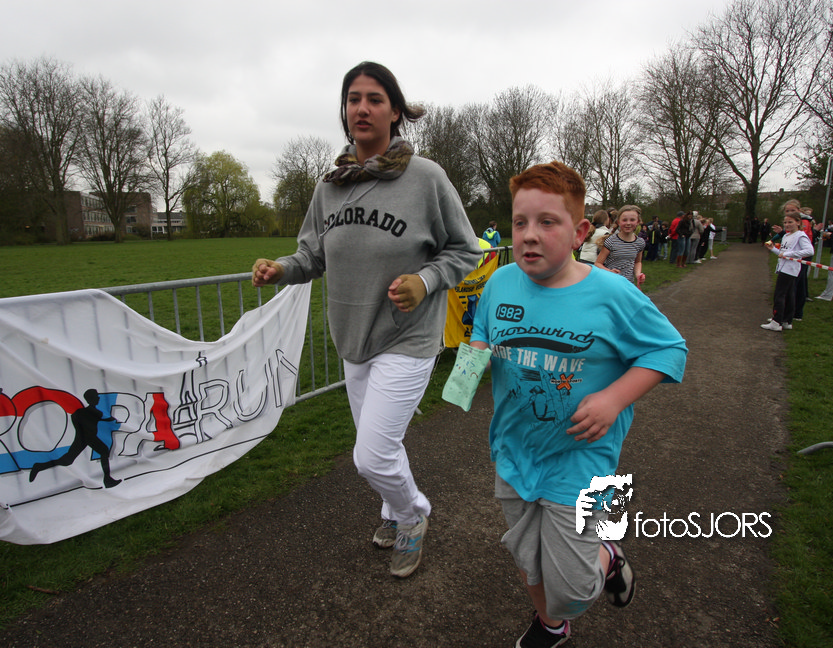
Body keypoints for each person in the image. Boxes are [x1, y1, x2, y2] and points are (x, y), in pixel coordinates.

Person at [251, 61, 481, 578]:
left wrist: (425, 279)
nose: (362, 108)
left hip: (408, 336)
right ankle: (393, 511)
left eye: (374, 99)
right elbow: (311, 256)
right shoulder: (330, 186)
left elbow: (466, 249)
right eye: (353, 98)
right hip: (352, 339)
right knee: (381, 446)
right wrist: (281, 269)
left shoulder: (425, 178)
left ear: (395, 111)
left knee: (371, 456)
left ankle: (412, 515)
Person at [468, 161, 688, 648]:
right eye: (520, 222)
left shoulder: (612, 293)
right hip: (513, 451)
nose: (529, 234)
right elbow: (483, 328)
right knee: (529, 560)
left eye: (547, 222)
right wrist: (474, 359)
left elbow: (670, 350)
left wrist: (613, 398)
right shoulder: (500, 282)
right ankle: (552, 626)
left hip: (584, 460)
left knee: (572, 587)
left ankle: (607, 557)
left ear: (580, 232)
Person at [28, 389, 121, 488]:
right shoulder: (89, 412)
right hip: (87, 437)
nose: (98, 398)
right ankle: (107, 479)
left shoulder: (88, 412)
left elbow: (105, 419)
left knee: (68, 460)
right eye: (96, 396)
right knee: (103, 451)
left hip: (85, 438)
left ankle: (40, 466)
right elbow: (105, 419)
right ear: (91, 399)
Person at [761, 209, 813, 331]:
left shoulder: (800, 235)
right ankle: (786, 320)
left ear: (798, 222)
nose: (787, 225)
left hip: (790, 268)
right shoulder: (786, 235)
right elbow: (782, 253)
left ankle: (776, 321)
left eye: (790, 222)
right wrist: (773, 249)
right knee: (789, 295)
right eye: (785, 222)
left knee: (779, 294)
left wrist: (789, 254)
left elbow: (809, 251)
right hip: (783, 267)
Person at [595, 205, 646, 288]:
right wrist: (609, 271)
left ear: (638, 221)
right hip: (611, 284)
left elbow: (637, 262)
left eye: (632, 220)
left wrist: (638, 275)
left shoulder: (640, 242)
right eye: (624, 220)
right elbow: (598, 263)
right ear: (618, 222)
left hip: (628, 285)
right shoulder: (611, 241)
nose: (628, 223)